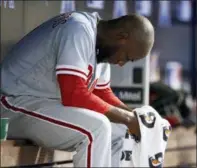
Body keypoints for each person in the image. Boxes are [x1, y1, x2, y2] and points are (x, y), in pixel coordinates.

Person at [0, 11, 154, 167]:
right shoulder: (78, 28)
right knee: (97, 127)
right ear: (122, 36)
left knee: (123, 132)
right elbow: (74, 94)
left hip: (39, 106)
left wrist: (135, 117)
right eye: (127, 56)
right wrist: (128, 119)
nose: (122, 63)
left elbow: (102, 93)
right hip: (11, 104)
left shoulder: (102, 48)